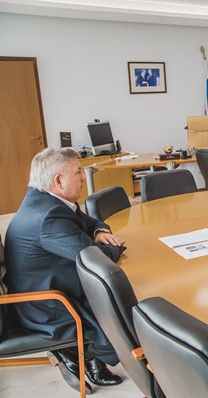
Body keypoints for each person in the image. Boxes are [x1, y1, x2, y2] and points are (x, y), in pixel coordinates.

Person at [4, 148, 127, 393]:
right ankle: (78, 353)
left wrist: (99, 232)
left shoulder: (47, 200)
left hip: (47, 286)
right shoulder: (49, 216)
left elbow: (88, 221)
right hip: (46, 305)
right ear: (58, 181)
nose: (83, 177)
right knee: (120, 308)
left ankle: (80, 356)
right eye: (78, 172)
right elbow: (95, 258)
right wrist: (117, 246)